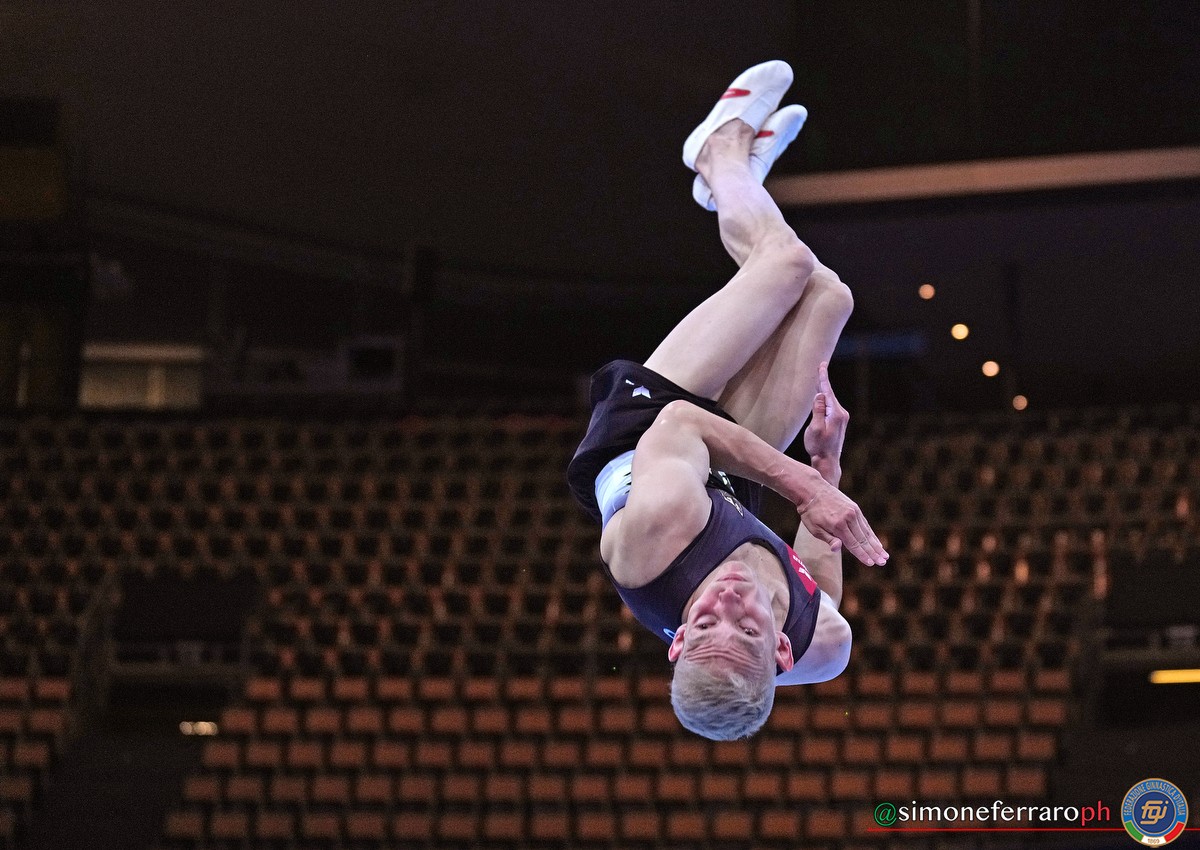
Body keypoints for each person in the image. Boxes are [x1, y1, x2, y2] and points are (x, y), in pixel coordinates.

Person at [566, 61, 888, 740]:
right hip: (723, 481)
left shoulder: (659, 537)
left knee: (786, 267)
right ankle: (737, 191)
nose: (731, 601)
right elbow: (817, 590)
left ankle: (719, 154)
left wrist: (803, 487)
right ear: (782, 651)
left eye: (706, 622)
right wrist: (825, 467)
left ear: (677, 640)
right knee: (828, 296)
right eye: (747, 628)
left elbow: (683, 422)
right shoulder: (823, 649)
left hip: (652, 432)